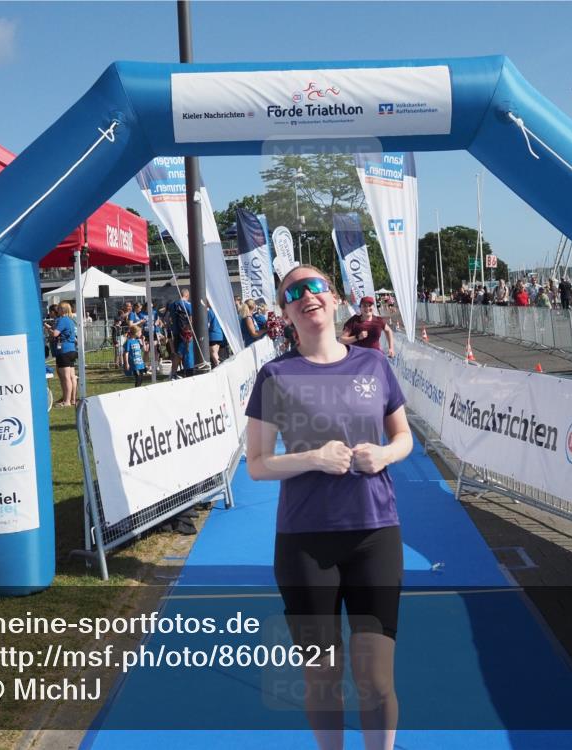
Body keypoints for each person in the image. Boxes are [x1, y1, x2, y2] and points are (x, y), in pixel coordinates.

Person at [245, 264, 412, 750]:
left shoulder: (373, 364)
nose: (306, 295)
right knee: (322, 677)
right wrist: (312, 458)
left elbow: (403, 438)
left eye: (315, 286)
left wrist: (383, 453)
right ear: (285, 313)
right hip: (304, 544)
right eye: (293, 292)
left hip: (374, 535)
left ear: (335, 298)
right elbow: (257, 464)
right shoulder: (275, 375)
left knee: (376, 680)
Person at [45, 302, 78, 407]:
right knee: (71, 376)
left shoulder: (63, 320)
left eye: (58, 309)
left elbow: (55, 334)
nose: (57, 311)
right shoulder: (70, 320)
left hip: (64, 351)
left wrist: (48, 328)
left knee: (65, 377)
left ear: (62, 310)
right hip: (71, 350)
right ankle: (71, 399)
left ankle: (67, 401)